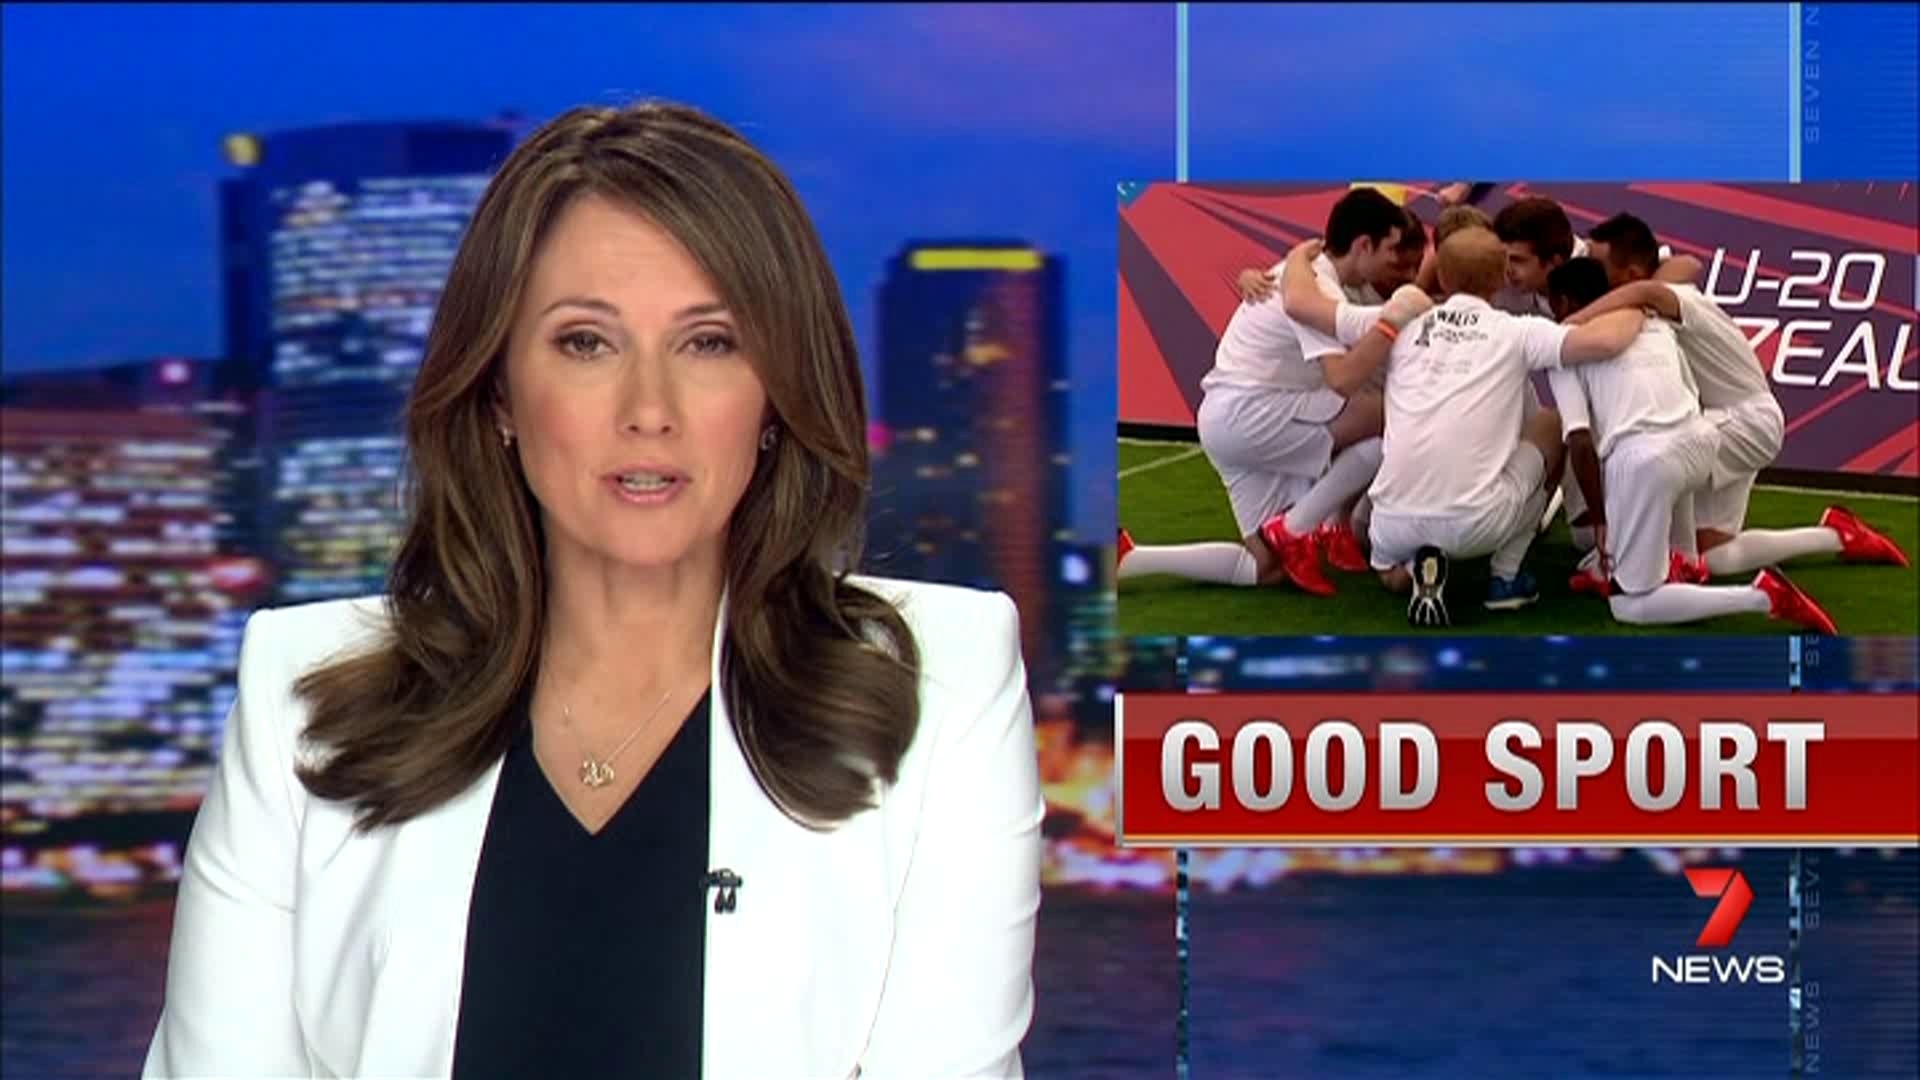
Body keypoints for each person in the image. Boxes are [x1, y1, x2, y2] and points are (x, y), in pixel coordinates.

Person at [144, 101, 1044, 1080]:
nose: (648, 411)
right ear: (499, 391)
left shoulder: (944, 687)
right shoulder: (301, 693)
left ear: (776, 396)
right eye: (586, 343)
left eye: (709, 343)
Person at [1303, 227, 1649, 626]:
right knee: (1552, 422)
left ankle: (1415, 569)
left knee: (1389, 575)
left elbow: (1303, 305)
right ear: (1502, 276)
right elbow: (1605, 342)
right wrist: (1644, 301)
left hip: (1391, 524)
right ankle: (1506, 576)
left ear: (1442, 276)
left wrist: (1296, 260)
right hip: (1476, 523)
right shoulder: (1517, 331)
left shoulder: (1401, 324)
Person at [1568, 212, 1908, 576]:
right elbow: (1675, 268)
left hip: (1743, 422)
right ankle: (1838, 535)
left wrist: (1571, 324)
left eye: (1597, 265)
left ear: (1631, 274)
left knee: (1650, 464)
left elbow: (1658, 285)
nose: (1588, 271)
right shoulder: (1643, 298)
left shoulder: (1675, 298)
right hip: (1726, 420)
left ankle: (1620, 564)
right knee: (1714, 555)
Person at [1117, 188, 1408, 594]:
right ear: (1363, 245)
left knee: (1264, 568)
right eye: (1391, 248)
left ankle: (1130, 559)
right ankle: (1305, 528)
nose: (1395, 259)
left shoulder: (1304, 273)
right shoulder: (1318, 288)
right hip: (1253, 414)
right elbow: (1342, 378)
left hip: (1224, 420)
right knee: (1390, 414)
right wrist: (1396, 323)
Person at [1544, 258, 1837, 631]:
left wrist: (1601, 521)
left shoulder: (1565, 346)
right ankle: (1653, 568)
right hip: (1698, 441)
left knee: (1629, 605)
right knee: (1685, 562)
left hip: (1648, 459)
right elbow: (1689, 388)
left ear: (1564, 303)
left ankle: (1762, 596)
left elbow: (1580, 440)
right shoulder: (1655, 324)